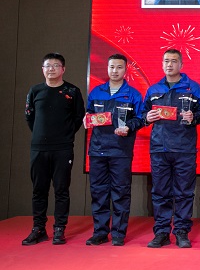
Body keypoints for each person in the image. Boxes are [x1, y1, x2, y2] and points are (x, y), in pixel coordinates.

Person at [142, 49, 200, 248]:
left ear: (181, 65)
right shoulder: (153, 90)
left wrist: (194, 117)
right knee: (160, 192)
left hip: (184, 149)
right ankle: (161, 232)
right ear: (162, 64)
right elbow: (142, 114)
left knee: (184, 192)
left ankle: (181, 231)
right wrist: (147, 118)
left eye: (173, 61)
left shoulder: (193, 88)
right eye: (166, 61)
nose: (169, 64)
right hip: (159, 148)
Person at [23, 52, 85, 246]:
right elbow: (30, 117)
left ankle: (59, 228)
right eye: (47, 66)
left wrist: (64, 135)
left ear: (63, 69)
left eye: (56, 65)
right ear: (42, 69)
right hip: (39, 148)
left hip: (62, 148)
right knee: (38, 190)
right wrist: (41, 135)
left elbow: (78, 117)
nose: (51, 69)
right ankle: (38, 228)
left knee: (61, 189)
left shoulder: (72, 91)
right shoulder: (35, 91)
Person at [84, 54, 145, 246]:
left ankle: (118, 233)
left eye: (119, 67)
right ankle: (100, 232)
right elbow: (89, 113)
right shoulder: (96, 92)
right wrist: (87, 118)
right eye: (111, 67)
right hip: (98, 150)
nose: (115, 71)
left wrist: (129, 127)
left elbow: (141, 119)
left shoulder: (133, 94)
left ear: (125, 70)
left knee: (121, 192)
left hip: (121, 151)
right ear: (107, 68)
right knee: (99, 193)